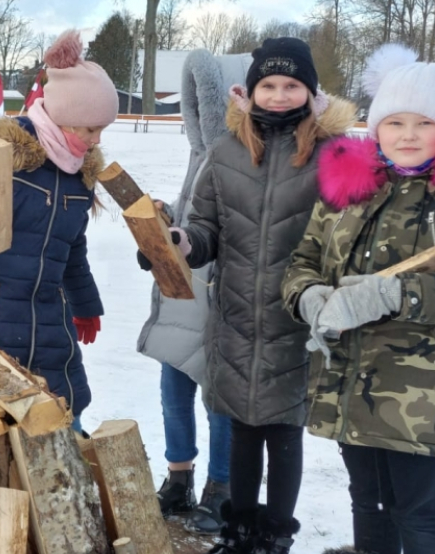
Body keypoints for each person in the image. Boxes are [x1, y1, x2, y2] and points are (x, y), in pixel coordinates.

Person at [283, 45, 435, 554]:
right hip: (354, 385)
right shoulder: (347, 191)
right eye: (395, 122)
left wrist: (396, 295)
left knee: (420, 516)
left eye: (424, 122)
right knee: (367, 504)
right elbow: (303, 260)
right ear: (377, 128)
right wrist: (308, 298)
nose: (408, 135)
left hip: (431, 396)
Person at [153, 37, 355, 554]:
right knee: (242, 430)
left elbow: (349, 236)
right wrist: (179, 243)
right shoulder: (224, 153)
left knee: (284, 437)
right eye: (270, 84)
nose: (280, 95)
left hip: (296, 321)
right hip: (237, 316)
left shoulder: (334, 156)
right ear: (253, 91)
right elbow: (205, 228)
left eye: (292, 86)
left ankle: (275, 536)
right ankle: (239, 530)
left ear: (310, 93)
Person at [0, 30, 113, 422]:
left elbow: (72, 248)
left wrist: (85, 304)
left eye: (102, 130)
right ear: (66, 116)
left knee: (58, 417)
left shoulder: (79, 174)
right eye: (90, 129)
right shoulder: (7, 154)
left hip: (48, 319)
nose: (96, 140)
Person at [135, 49, 248, 534]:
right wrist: (162, 235)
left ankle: (221, 487)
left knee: (218, 397)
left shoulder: (245, 158)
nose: (199, 118)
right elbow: (191, 219)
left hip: (223, 297)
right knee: (173, 389)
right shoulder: (199, 155)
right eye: (194, 109)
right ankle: (179, 475)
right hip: (183, 294)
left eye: (207, 106)